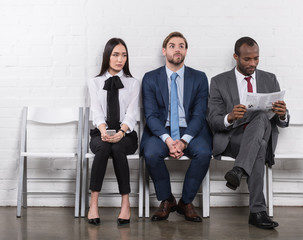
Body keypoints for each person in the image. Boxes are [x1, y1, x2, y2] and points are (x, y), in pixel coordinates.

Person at [207, 37, 289, 229]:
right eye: (247, 59)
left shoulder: (270, 79)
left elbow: (280, 122)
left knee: (261, 117)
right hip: (233, 139)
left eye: (256, 59)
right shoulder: (219, 81)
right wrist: (230, 116)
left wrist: (283, 114)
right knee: (259, 146)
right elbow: (213, 119)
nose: (252, 63)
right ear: (236, 57)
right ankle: (257, 212)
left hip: (261, 132)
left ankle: (238, 170)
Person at [141, 32, 212, 222]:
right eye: (172, 46)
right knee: (150, 153)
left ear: (186, 51)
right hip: (161, 131)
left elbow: (199, 115)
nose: (177, 49)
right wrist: (169, 139)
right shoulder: (150, 78)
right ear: (164, 51)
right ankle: (167, 199)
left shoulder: (199, 78)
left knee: (204, 152)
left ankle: (186, 202)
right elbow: (151, 116)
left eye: (181, 45)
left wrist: (183, 140)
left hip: (190, 130)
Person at [87, 38, 140, 226]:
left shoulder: (133, 83)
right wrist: (103, 131)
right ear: (107, 56)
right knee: (103, 148)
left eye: (124, 55)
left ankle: (125, 203)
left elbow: (132, 114)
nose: (120, 59)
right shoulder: (94, 82)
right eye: (115, 54)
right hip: (100, 132)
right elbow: (96, 111)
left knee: (117, 148)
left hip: (126, 134)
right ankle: (93, 204)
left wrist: (121, 132)